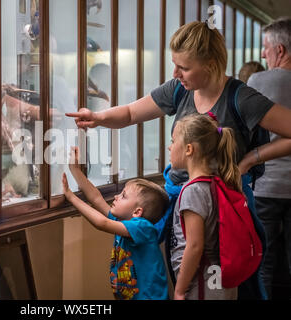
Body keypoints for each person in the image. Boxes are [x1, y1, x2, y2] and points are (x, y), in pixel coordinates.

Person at [66, 21, 291, 299]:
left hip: (221, 211)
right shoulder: (179, 89)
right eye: (175, 65)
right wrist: (99, 118)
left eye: (183, 67)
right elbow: (130, 113)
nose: (175, 73)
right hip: (181, 202)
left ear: (209, 64)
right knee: (184, 273)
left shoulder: (241, 98)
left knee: (226, 281)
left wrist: (250, 159)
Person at [62, 147, 169, 300]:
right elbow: (96, 199)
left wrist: (71, 197)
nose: (116, 196)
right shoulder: (123, 222)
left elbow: (101, 223)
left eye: (123, 196)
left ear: (137, 212)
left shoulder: (142, 227)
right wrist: (75, 170)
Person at [242, 18, 291, 299]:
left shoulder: (257, 81)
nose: (263, 55)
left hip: (267, 186)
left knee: (264, 261)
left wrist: (250, 159)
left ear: (280, 50)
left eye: (265, 48)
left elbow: (246, 131)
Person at [168, 113, 239, 300]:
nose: (169, 147)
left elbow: (195, 246)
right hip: (219, 278)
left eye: (173, 141)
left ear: (189, 149)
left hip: (203, 282)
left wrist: (179, 290)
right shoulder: (216, 182)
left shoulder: (194, 191)